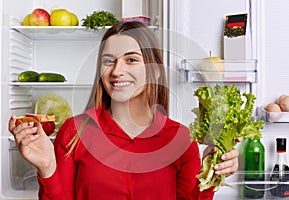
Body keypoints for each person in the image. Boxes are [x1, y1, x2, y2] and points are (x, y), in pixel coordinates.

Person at [8, 21, 239, 200]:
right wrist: (47, 167)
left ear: (154, 71)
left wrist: (211, 174)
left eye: (131, 60)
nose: (117, 71)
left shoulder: (180, 140)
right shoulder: (74, 132)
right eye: (109, 61)